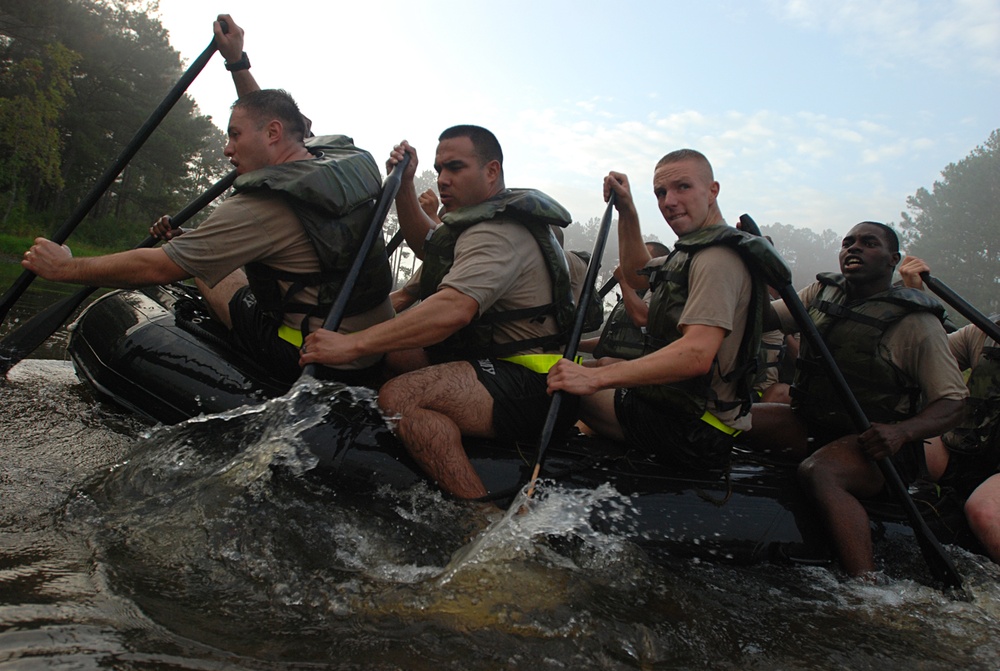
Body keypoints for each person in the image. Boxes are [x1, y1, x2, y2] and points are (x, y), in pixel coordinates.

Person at [21, 15, 394, 386]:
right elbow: (270, 115)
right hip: (368, 343)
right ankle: (192, 243)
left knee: (200, 267)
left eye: (234, 135)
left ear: (273, 134)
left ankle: (192, 248)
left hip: (314, 355)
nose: (227, 149)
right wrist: (237, 61)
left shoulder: (258, 207)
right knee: (206, 252)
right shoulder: (336, 157)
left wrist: (65, 269)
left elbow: (158, 269)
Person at [300, 126, 582, 499]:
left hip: (536, 386)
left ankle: (476, 513)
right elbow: (428, 245)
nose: (444, 179)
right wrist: (405, 186)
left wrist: (351, 345)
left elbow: (453, 310)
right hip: (493, 361)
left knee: (399, 397)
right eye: (439, 168)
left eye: (455, 168)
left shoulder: (499, 233)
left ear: (492, 171)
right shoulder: (478, 222)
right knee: (396, 351)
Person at [746, 223, 967, 577]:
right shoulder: (822, 291)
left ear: (892, 259)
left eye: (868, 243)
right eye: (848, 242)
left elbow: (953, 403)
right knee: (733, 417)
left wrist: (902, 432)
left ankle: (865, 587)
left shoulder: (916, 322)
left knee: (820, 472)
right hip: (812, 422)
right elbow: (768, 317)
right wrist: (752, 269)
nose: (854, 248)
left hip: (877, 448)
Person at [546, 149, 770, 476]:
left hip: (694, 428)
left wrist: (594, 378)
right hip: (677, 409)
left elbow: (696, 354)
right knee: (585, 368)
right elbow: (638, 276)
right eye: (661, 193)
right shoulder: (692, 252)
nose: (669, 201)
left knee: (556, 384)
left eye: (683, 187)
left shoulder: (717, 258)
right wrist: (628, 211)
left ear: (713, 191)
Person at [900, 256, 1000, 563]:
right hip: (960, 448)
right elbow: (927, 358)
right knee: (893, 455)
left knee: (984, 513)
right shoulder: (980, 332)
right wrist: (916, 296)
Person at [579, 241, 670, 363]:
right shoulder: (634, 295)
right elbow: (610, 343)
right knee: (560, 365)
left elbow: (642, 318)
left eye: (640, 258)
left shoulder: (661, 290)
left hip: (647, 367)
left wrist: (623, 280)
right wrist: (572, 344)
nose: (632, 262)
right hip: (616, 363)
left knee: (601, 364)